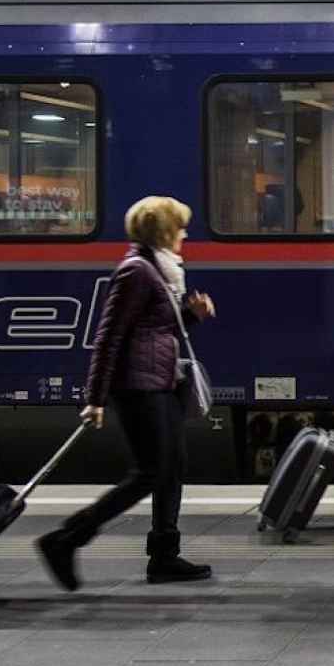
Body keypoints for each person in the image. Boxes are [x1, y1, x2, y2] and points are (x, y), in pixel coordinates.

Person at [37, 196, 217, 589]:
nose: (186, 233)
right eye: (181, 226)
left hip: (162, 383)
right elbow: (109, 336)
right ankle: (65, 539)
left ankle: (165, 557)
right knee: (149, 473)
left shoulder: (161, 270)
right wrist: (95, 398)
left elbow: (155, 330)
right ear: (164, 230)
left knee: (171, 470)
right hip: (138, 389)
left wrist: (191, 316)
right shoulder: (136, 271)